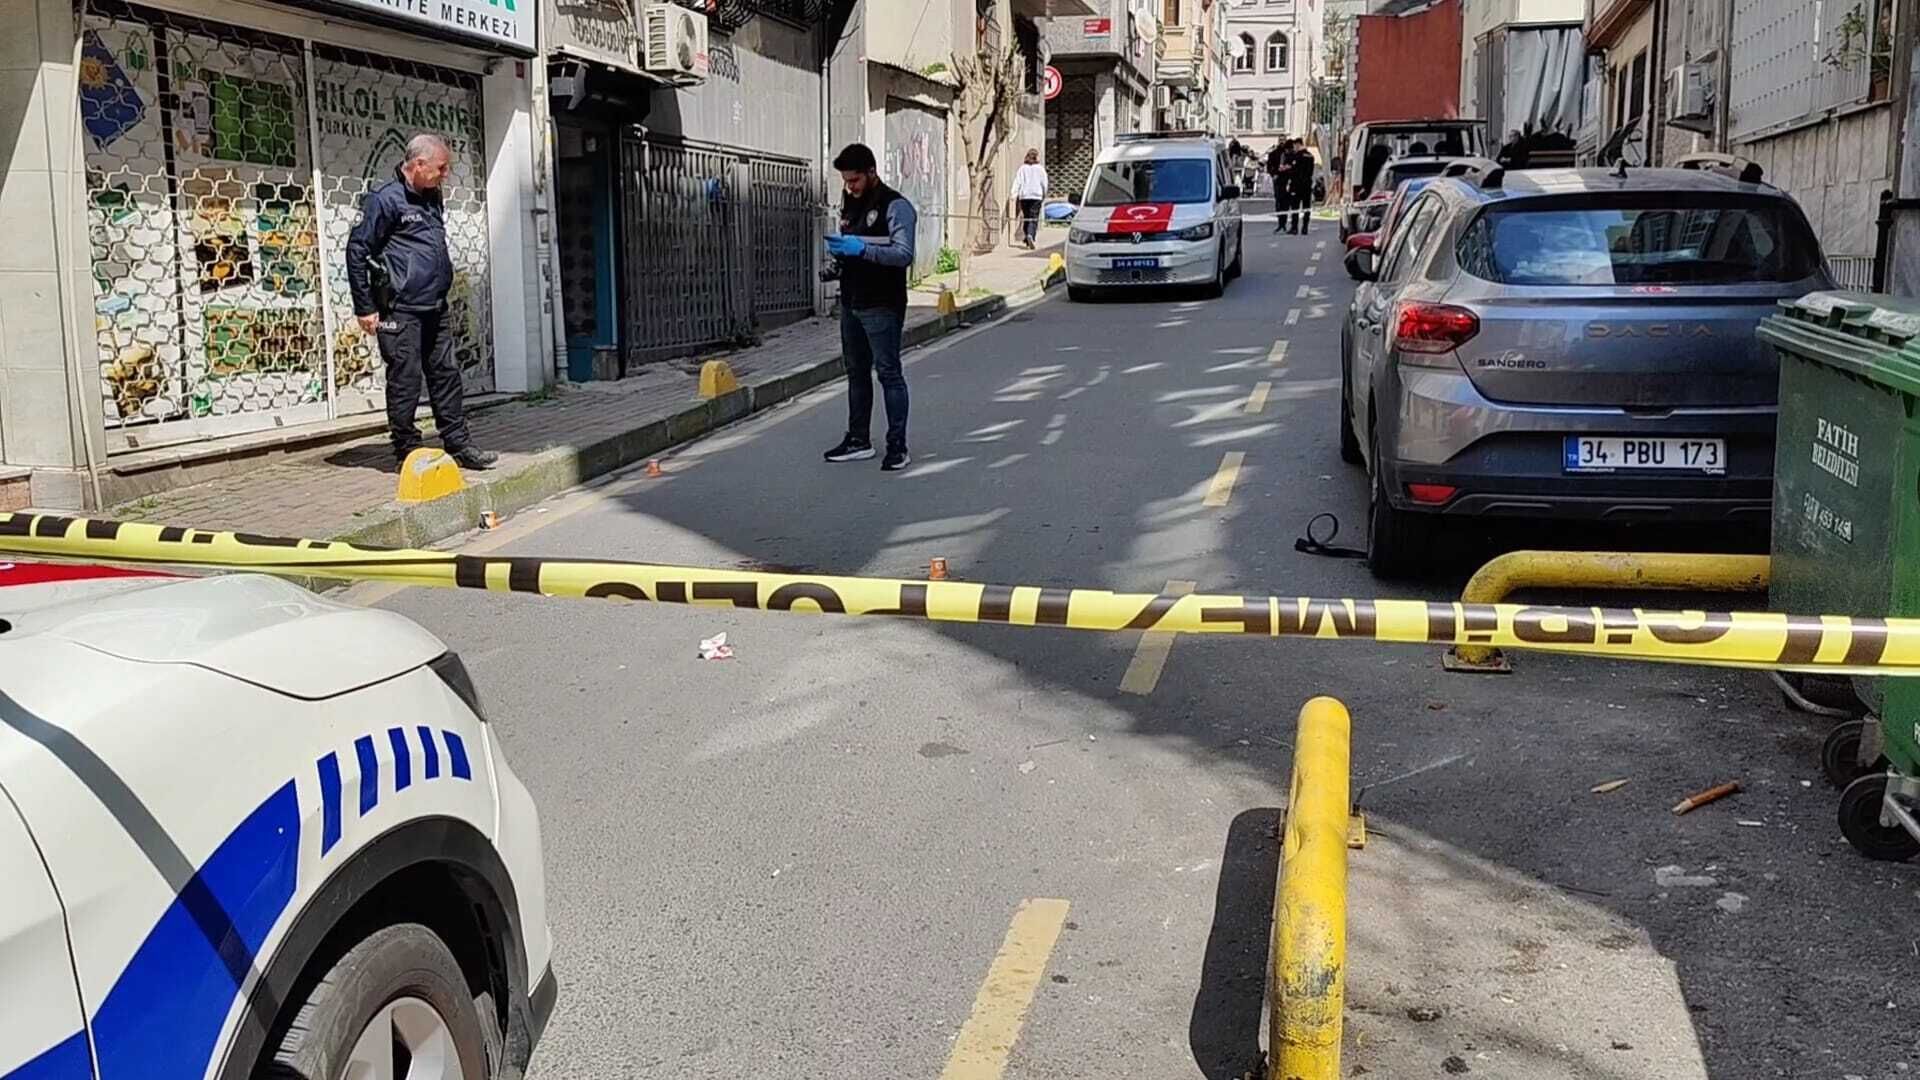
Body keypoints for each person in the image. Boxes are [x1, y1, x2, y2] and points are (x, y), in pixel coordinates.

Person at [346, 134, 497, 470]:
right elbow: (356, 251)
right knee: (406, 379)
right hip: (400, 308)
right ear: (418, 164)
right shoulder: (385, 200)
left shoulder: (431, 197)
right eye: (441, 168)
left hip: (434, 306)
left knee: (446, 375)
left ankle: (458, 444)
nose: (446, 174)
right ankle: (407, 451)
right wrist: (364, 306)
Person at [822, 143, 918, 472]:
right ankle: (858, 440)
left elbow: (903, 254)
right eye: (846, 181)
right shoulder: (850, 202)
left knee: (888, 373)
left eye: (855, 180)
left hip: (882, 303)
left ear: (872, 172)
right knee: (856, 372)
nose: (850, 187)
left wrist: (862, 250)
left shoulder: (895, 206)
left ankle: (897, 447)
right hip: (852, 301)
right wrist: (839, 257)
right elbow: (850, 242)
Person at [1012, 148, 1048, 250]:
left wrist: (1013, 194)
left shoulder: (1022, 168)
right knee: (1033, 217)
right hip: (1036, 196)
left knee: (1026, 217)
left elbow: (1017, 181)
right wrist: (1044, 194)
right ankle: (1030, 235)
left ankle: (1027, 238)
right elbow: (1044, 183)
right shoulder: (1040, 169)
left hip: (1024, 196)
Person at [1286, 141, 1316, 235]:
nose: (1294, 148)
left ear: (1298, 145)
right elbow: (1311, 171)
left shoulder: (1297, 156)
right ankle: (1305, 227)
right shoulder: (1310, 156)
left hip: (1297, 185)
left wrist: (1288, 170)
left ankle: (1294, 228)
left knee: (1295, 207)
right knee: (1306, 207)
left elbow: (1294, 171)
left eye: (1295, 146)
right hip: (1307, 185)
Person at [1268, 140, 1294, 233]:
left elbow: (1294, 166)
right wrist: (1273, 174)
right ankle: (1280, 223)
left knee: (1286, 203)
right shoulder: (1273, 154)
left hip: (1287, 181)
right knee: (1279, 202)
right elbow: (1269, 166)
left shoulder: (1291, 155)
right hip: (1278, 181)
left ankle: (1284, 222)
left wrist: (1288, 169)